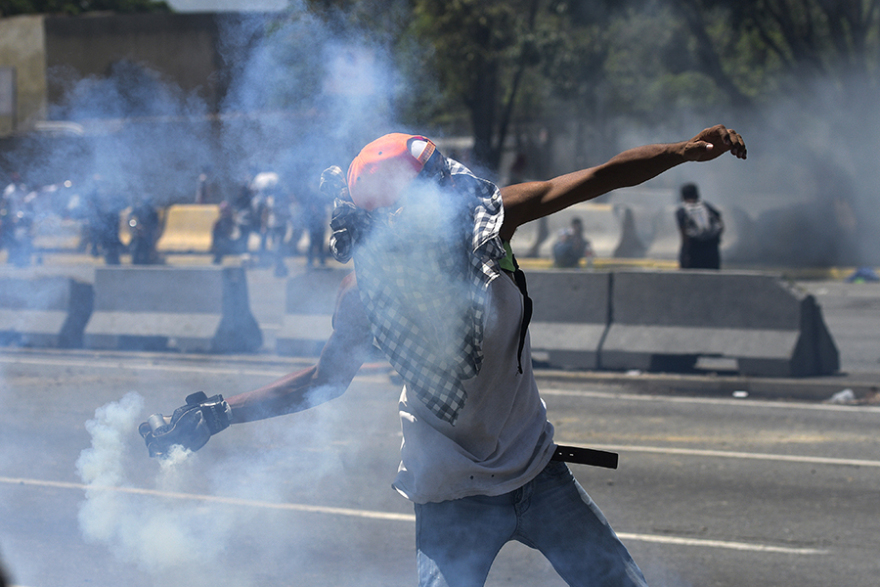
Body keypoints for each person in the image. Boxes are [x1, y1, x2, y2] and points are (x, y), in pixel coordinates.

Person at [141, 125, 746, 587]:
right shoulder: (367, 293)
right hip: (450, 494)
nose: (454, 196)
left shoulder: (491, 226)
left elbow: (599, 176)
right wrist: (222, 412)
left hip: (536, 470)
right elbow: (325, 382)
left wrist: (680, 152)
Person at [675, 182, 724, 269]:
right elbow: (720, 224)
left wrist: (685, 254)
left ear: (682, 196)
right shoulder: (708, 207)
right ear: (697, 194)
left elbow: (684, 234)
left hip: (693, 251)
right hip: (711, 250)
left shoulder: (682, 211)